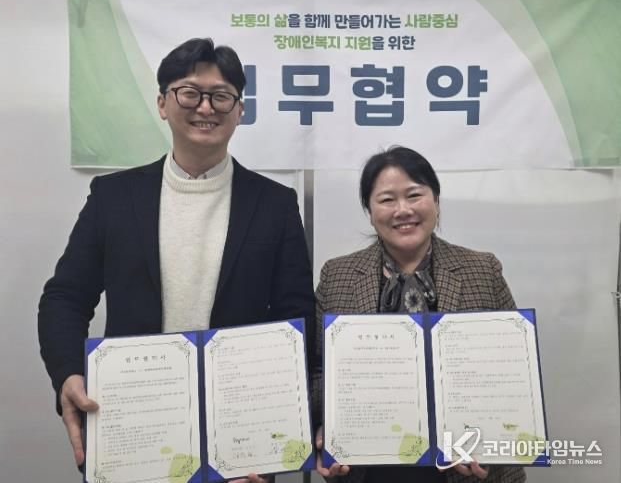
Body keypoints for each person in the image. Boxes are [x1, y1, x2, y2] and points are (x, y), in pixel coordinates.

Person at [38, 38, 314, 482]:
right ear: (163, 103)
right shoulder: (114, 197)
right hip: (134, 427)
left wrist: (272, 432)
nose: (205, 107)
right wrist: (69, 374)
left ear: (240, 110)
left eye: (221, 96)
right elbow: (65, 298)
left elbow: (294, 319)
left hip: (239, 441)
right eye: (190, 93)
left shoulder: (275, 204)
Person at [313, 146, 526, 483]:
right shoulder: (337, 275)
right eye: (387, 200)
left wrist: (495, 442)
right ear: (369, 211)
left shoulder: (483, 269)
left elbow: (512, 368)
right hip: (369, 470)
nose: (403, 210)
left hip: (465, 469)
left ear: (436, 201)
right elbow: (318, 370)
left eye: (414, 195)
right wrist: (327, 426)